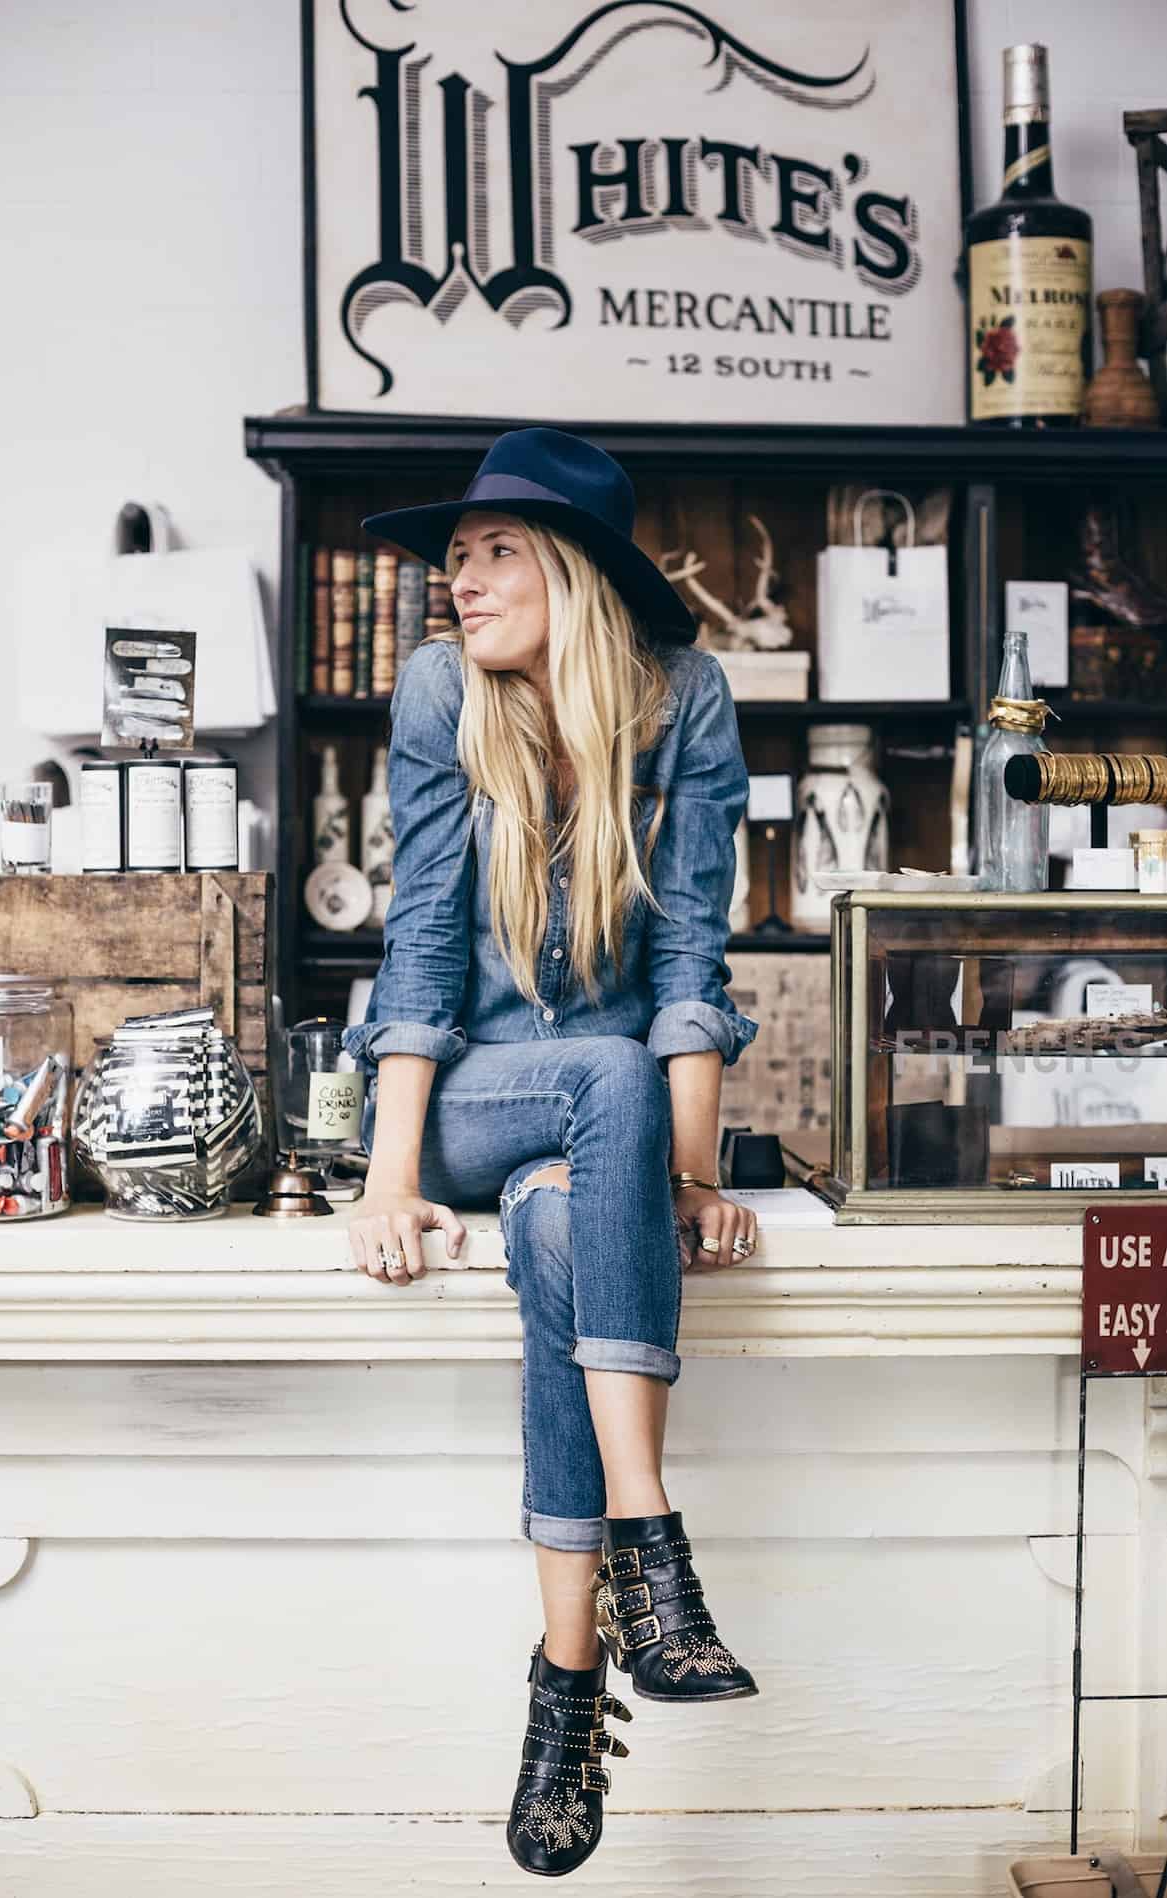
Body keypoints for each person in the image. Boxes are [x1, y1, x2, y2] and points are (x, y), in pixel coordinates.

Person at [341, 427, 761, 1878]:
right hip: (470, 1099)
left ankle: (569, 1688)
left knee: (557, 1236)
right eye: (451, 556)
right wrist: (390, 1176)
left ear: (571, 567)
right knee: (595, 1067)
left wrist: (687, 1172)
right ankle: (654, 1541)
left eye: (491, 548)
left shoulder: (684, 698)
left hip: (603, 1126)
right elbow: (424, 943)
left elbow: (692, 950)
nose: (458, 579)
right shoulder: (438, 693)